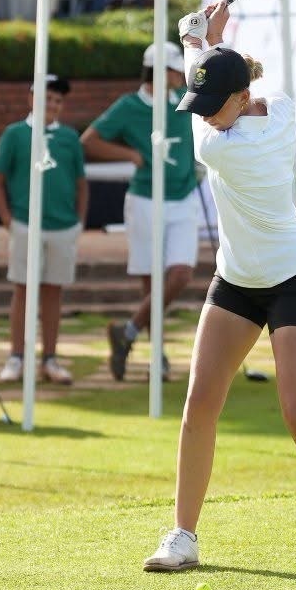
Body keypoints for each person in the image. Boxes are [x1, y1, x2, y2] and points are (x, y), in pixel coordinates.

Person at [143, 2, 296, 576]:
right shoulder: (276, 106)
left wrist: (195, 37)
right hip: (237, 281)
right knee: (199, 404)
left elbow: (211, 89)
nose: (205, 115)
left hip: (294, 279)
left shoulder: (222, 147)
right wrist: (210, 42)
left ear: (242, 101)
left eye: (212, 107)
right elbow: (219, 76)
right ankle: (183, 535)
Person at [80, 41, 198, 382]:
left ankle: (127, 332)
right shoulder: (129, 106)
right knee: (151, 283)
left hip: (184, 198)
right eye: (176, 70)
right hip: (145, 199)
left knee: (179, 275)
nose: (181, 76)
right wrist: (130, 156)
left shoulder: (185, 102)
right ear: (160, 72)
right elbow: (90, 140)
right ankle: (156, 355)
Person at [0, 74, 88, 385]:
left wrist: (79, 222)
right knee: (23, 288)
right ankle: (16, 357)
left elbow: (81, 182)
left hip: (62, 226)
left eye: (58, 100)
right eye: (47, 97)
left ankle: (50, 359)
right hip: (25, 224)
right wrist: (7, 219)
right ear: (32, 98)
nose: (53, 105)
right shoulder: (15, 134)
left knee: (53, 292)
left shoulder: (70, 138)